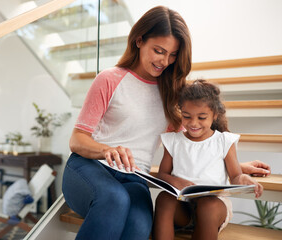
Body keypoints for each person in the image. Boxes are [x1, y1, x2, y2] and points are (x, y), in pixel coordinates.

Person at [62, 6, 270, 240]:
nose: (165, 61)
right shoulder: (109, 79)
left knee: (139, 226)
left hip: (134, 177)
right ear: (139, 40)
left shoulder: (173, 94)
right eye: (159, 51)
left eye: (172, 55)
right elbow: (77, 140)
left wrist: (237, 167)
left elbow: (193, 146)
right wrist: (107, 150)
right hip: (90, 168)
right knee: (114, 200)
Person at [153, 80, 264, 240]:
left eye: (202, 117)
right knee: (164, 198)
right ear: (181, 112)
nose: (193, 123)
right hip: (184, 208)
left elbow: (235, 176)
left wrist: (244, 179)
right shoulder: (174, 141)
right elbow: (162, 174)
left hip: (213, 209)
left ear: (215, 115)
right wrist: (174, 180)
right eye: (186, 116)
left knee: (207, 205)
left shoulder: (224, 141)